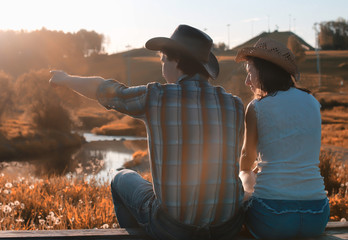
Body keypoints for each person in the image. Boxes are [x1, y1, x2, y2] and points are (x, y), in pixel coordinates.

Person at [50, 24, 245, 240]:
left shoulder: (158, 96)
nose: (162, 69)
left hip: (175, 229)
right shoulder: (234, 105)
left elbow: (104, 90)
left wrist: (65, 79)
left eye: (163, 60)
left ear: (177, 60)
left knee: (120, 177)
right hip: (227, 228)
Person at [235, 38, 330, 239]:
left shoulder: (257, 107)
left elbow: (246, 156)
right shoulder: (312, 102)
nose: (247, 81)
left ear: (263, 71)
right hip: (317, 216)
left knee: (243, 175)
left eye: (250, 72)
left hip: (273, 217)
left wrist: (246, 170)